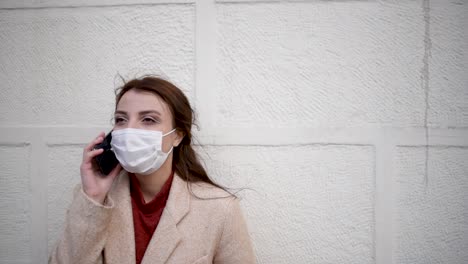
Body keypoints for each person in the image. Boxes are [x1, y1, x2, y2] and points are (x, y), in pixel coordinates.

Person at [49, 76, 255, 264]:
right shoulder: (94, 202)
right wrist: (93, 197)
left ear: (178, 135)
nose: (130, 130)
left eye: (148, 119)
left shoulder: (220, 208)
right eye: (121, 119)